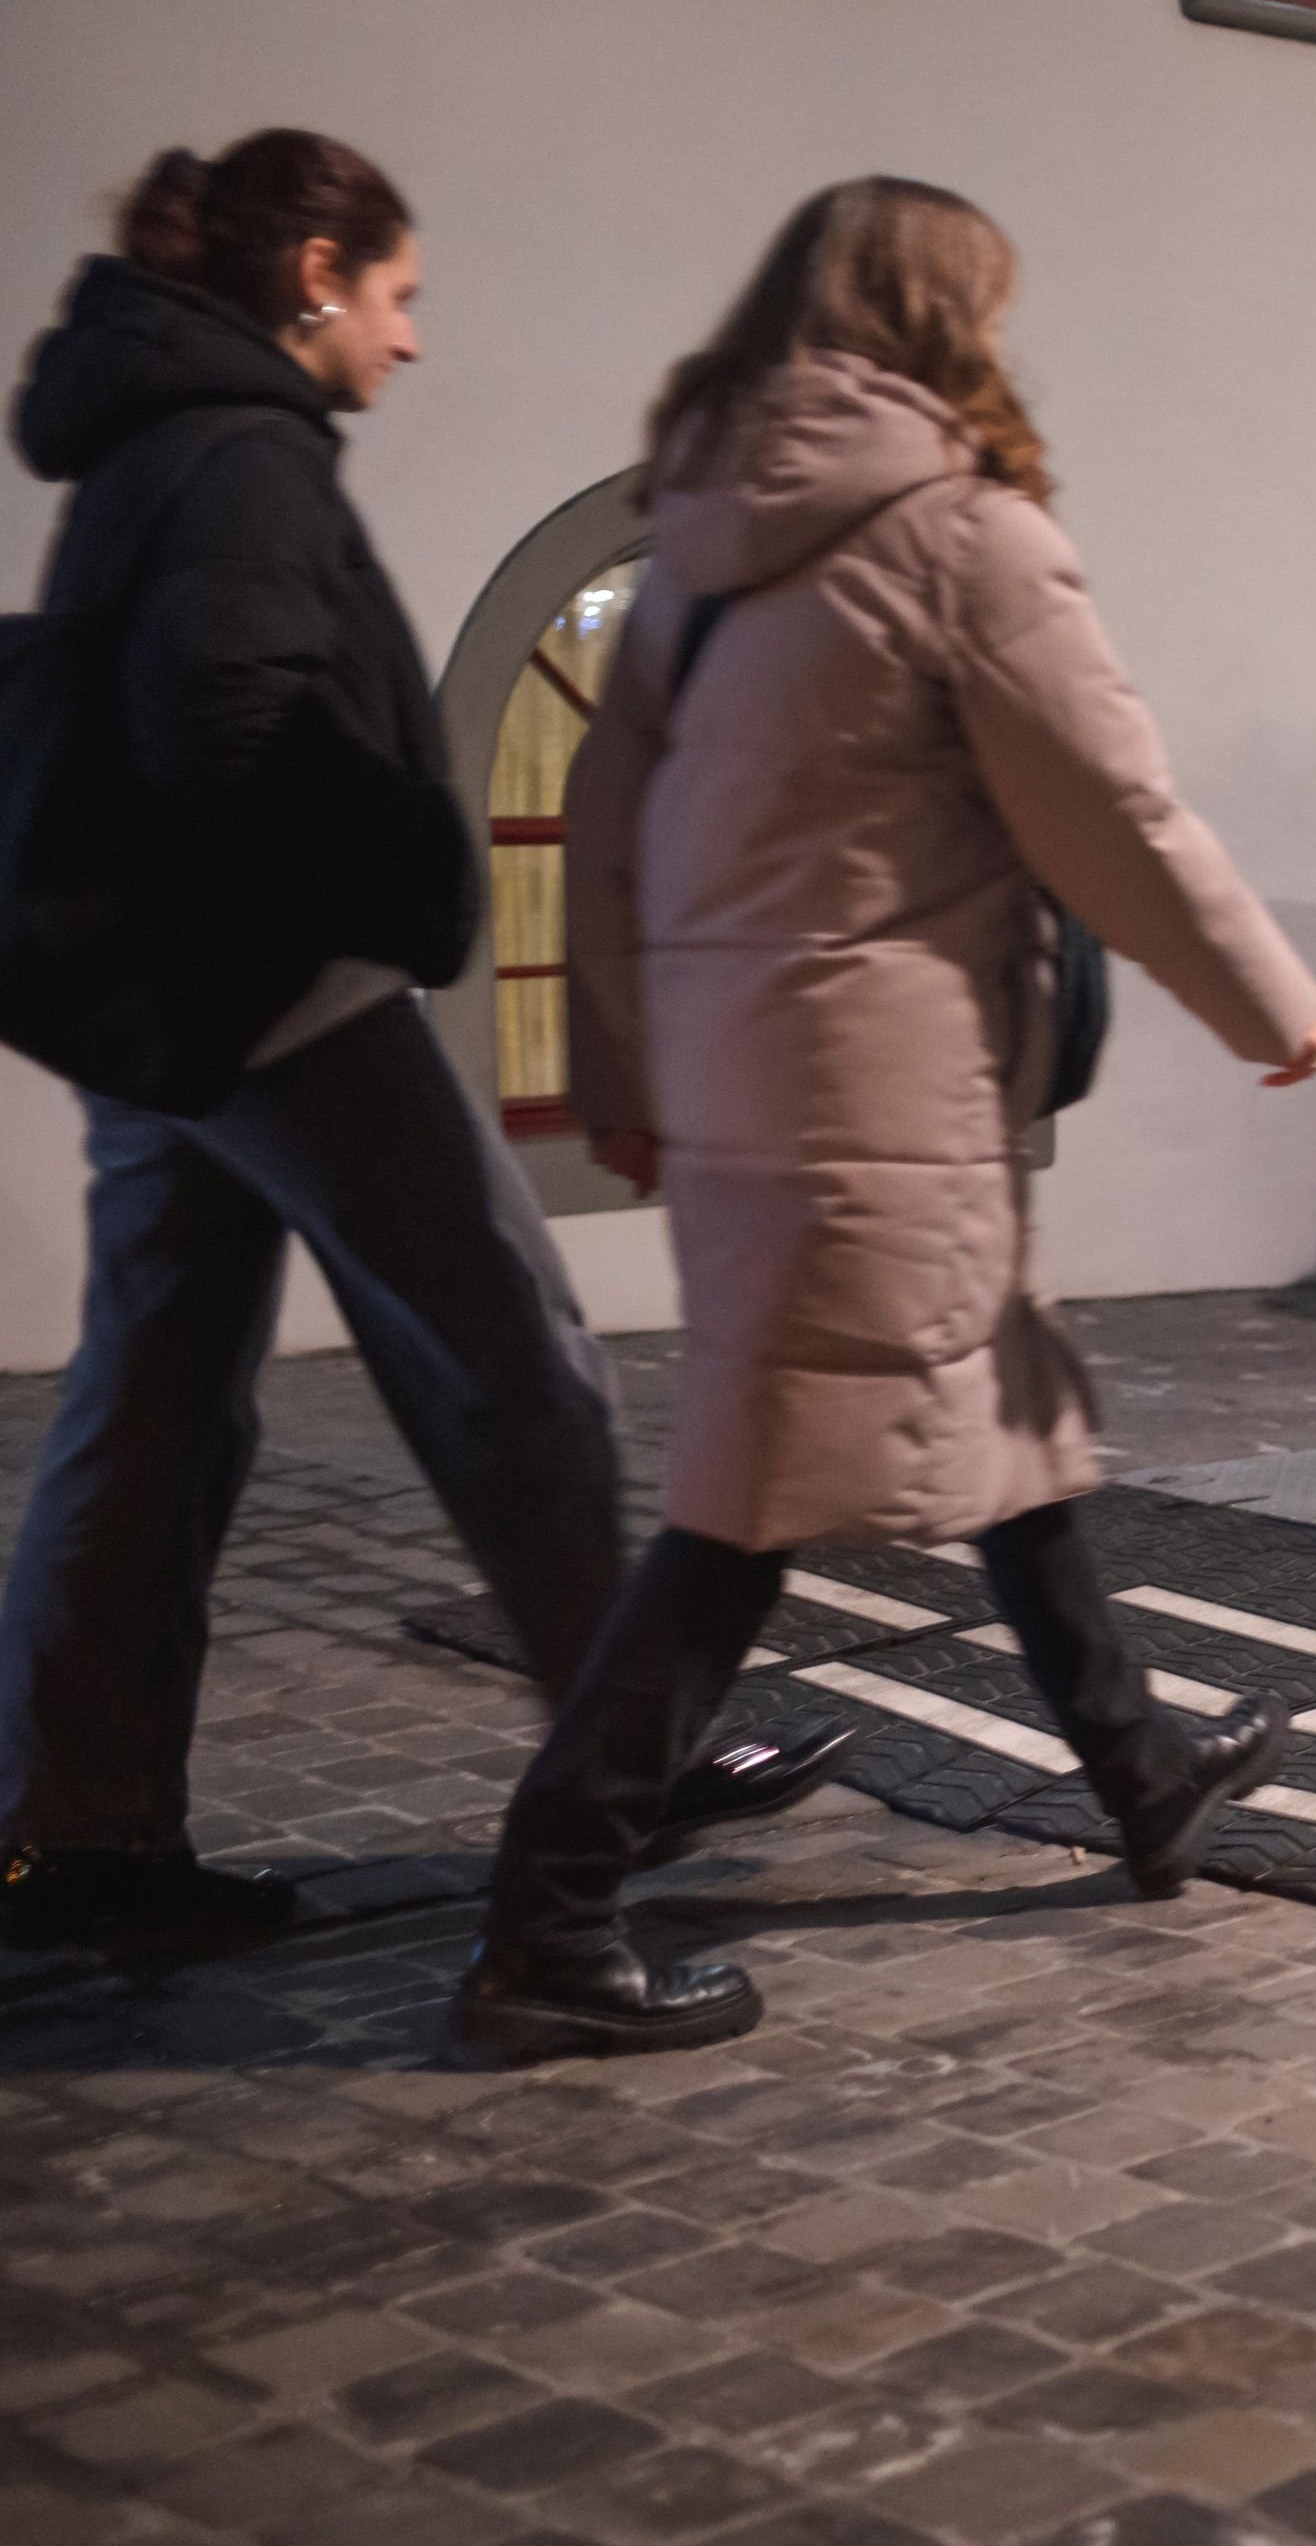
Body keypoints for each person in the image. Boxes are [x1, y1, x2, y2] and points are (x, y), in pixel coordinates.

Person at [458, 179, 1316, 2061]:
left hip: (749, 1088)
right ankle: (548, 1916)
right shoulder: (960, 538)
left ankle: (1144, 1765)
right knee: (748, 1503)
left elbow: (604, 842)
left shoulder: (694, 553)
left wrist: (623, 1081)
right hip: (885, 1089)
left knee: (1002, 1405)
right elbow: (1117, 808)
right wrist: (1270, 1000)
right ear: (949, 320)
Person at [0, 133, 835, 1955]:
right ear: (315, 271)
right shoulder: (237, 451)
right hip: (275, 998)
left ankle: (78, 1835)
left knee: (149, 1414)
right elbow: (228, 714)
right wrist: (407, 870)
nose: (412, 339)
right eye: (399, 297)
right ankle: (636, 1753)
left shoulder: (152, 433)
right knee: (516, 1362)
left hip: (164, 1010)